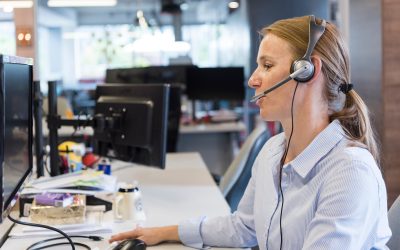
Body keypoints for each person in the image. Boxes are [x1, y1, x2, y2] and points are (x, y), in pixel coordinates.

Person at [109, 15, 392, 249]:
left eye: (267, 65)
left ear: (306, 71)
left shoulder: (349, 172)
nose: (253, 79)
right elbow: (244, 228)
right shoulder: (273, 151)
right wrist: (165, 232)